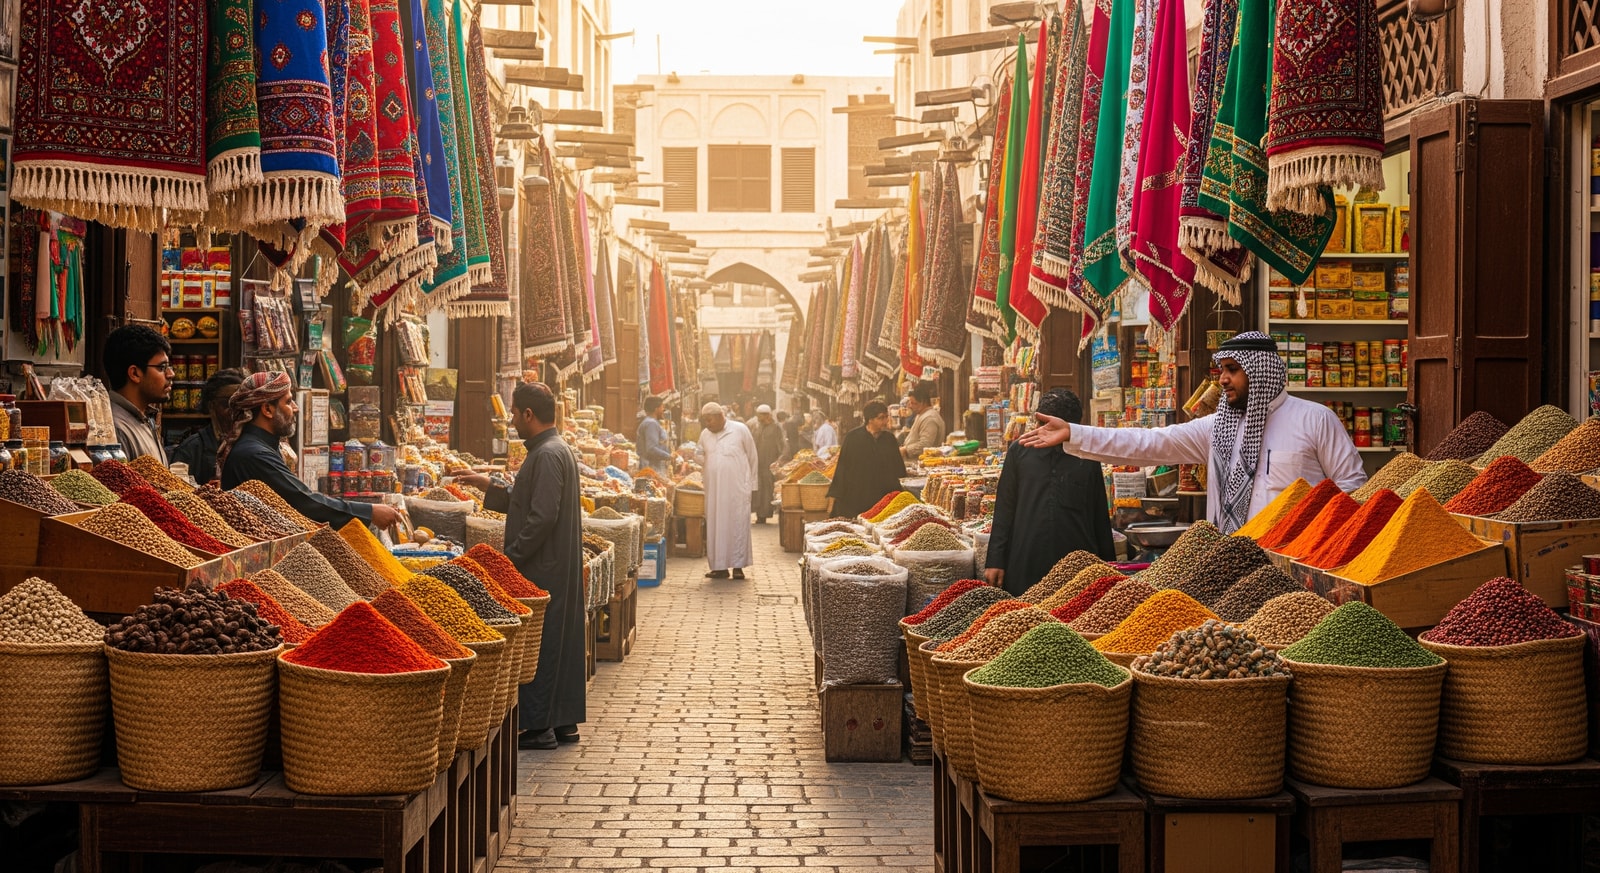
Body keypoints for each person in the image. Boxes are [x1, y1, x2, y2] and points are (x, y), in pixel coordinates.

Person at [1021, 332, 1366, 533]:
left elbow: (1354, 488)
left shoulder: (1315, 420)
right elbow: (1149, 444)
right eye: (1222, 370)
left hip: (1299, 558)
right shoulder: (1219, 426)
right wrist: (1075, 433)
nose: (1223, 379)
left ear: (1262, 372)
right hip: (1235, 561)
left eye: (1232, 370)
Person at [500, 382, 585, 750]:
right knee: (557, 641)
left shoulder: (547, 454)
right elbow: (530, 501)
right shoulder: (553, 449)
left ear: (528, 415)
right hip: (553, 563)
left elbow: (541, 517)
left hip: (543, 566)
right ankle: (563, 722)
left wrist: (510, 558)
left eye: (515, 413)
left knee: (543, 644)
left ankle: (539, 728)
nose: (512, 419)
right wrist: (488, 486)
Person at [219, 372, 402, 530]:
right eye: (289, 402)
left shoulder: (261, 447)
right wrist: (369, 512)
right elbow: (303, 501)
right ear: (267, 409)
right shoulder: (254, 454)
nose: (296, 409)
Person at [986, 388, 1116, 596]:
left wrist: (1109, 566)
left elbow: (1099, 514)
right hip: (1026, 559)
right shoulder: (1020, 452)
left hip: (1077, 566)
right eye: (1042, 424)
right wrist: (995, 560)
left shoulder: (1086, 455)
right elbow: (1004, 509)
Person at [698, 402, 758, 580]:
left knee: (737, 525)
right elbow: (699, 452)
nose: (707, 424)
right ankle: (719, 567)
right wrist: (696, 457)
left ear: (719, 416)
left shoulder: (740, 429)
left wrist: (752, 485)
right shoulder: (705, 434)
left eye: (709, 420)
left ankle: (738, 567)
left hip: (737, 490)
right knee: (716, 526)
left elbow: (753, 456)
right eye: (705, 421)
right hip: (714, 490)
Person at [103, 324, 174, 464]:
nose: (171, 374)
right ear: (134, 373)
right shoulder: (115, 429)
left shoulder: (144, 420)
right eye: (162, 367)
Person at [827, 400, 908, 519]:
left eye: (886, 417)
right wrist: (834, 497)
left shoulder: (889, 439)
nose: (885, 421)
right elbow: (842, 467)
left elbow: (899, 469)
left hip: (883, 499)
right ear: (870, 419)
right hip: (857, 497)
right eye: (881, 418)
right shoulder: (853, 438)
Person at [169, 369, 245, 486]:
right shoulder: (191, 449)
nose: (235, 410)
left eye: (240, 403)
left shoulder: (249, 443)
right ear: (211, 406)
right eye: (227, 404)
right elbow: (179, 491)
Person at [752, 404, 784, 524]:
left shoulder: (776, 427)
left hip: (769, 462)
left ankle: (763, 515)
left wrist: (780, 460)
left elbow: (782, 444)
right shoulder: (757, 426)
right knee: (758, 488)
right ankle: (759, 513)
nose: (758, 417)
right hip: (758, 463)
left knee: (767, 489)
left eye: (760, 415)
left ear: (766, 415)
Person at [901, 381, 947, 459]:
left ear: (922, 402)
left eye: (913, 403)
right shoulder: (921, 414)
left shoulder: (930, 418)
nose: (910, 406)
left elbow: (925, 444)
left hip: (924, 464)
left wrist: (905, 450)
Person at [636, 395, 672, 473]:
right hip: (651, 470)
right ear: (656, 409)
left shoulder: (651, 422)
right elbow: (651, 449)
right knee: (649, 485)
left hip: (654, 468)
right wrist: (669, 456)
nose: (663, 410)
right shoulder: (651, 424)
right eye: (662, 407)